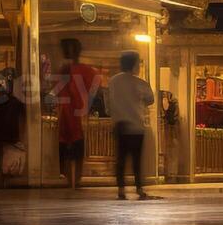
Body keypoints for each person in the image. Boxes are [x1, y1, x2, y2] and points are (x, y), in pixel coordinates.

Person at [105, 51, 158, 200]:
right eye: (138, 63)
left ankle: (121, 189)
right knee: (136, 159)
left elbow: (108, 102)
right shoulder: (140, 82)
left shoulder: (113, 81)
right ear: (134, 64)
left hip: (120, 124)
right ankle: (139, 188)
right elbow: (150, 99)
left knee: (120, 159)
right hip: (136, 126)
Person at [54, 39, 102, 189]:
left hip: (67, 115)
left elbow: (56, 93)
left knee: (68, 148)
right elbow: (96, 84)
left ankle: (70, 180)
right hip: (78, 116)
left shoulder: (62, 71)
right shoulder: (86, 71)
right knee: (76, 148)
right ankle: (76, 179)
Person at [0, 71, 27, 184]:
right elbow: (24, 115)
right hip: (11, 134)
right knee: (6, 155)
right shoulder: (16, 102)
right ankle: (4, 175)